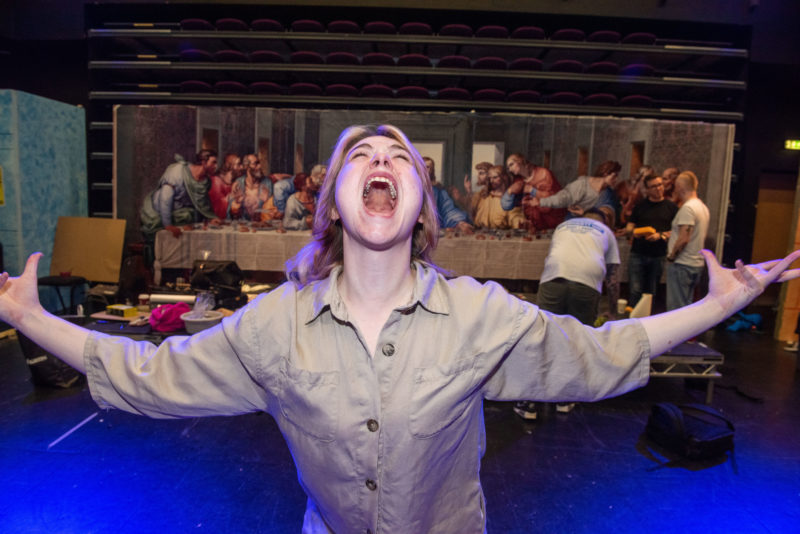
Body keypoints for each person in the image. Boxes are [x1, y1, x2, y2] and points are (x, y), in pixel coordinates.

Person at [2, 124, 798, 534]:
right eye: (361, 154)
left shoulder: (480, 313)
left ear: (421, 198)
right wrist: (32, 318)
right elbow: (152, 377)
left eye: (399, 155)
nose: (381, 159)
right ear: (332, 201)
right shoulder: (276, 326)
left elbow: (597, 354)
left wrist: (718, 305)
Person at [513, 208, 620, 419]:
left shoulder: (563, 226)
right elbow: (614, 278)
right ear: (603, 221)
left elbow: (557, 254)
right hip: (587, 282)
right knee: (576, 339)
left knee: (542, 336)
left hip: (555, 277)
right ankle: (565, 398)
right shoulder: (606, 231)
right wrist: (614, 311)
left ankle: (529, 402)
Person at [618, 173, 679, 308]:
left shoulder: (671, 207)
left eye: (660, 185)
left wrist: (661, 235)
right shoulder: (640, 206)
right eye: (654, 186)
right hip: (638, 253)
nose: (658, 188)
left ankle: (646, 320)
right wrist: (632, 232)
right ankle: (632, 320)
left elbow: (676, 231)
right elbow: (630, 226)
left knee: (651, 291)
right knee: (635, 290)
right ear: (647, 190)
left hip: (658, 255)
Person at [139, 149, 219, 240]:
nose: (216, 166)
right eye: (213, 163)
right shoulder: (178, 171)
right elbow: (165, 198)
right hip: (159, 213)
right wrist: (168, 225)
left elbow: (203, 203)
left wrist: (211, 217)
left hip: (181, 214)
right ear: (204, 162)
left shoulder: (205, 181)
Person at [665, 171, 710, 311]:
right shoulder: (702, 207)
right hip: (696, 263)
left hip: (683, 264)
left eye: (675, 185)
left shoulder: (688, 208)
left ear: (680, 187)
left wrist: (671, 256)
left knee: (676, 309)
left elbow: (684, 238)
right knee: (686, 307)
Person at [529, 160, 621, 219]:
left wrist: (585, 213)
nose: (616, 179)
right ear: (605, 173)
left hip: (593, 226)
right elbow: (562, 199)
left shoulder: (608, 193)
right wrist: (541, 202)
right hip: (573, 222)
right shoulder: (582, 184)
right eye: (614, 176)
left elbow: (608, 213)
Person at [502, 153, 565, 231]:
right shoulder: (518, 180)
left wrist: (533, 191)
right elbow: (506, 206)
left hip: (551, 221)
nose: (510, 169)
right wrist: (512, 193)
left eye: (511, 164)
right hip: (532, 224)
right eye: (508, 167)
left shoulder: (543, 173)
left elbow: (553, 198)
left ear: (520, 161)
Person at [422, 156, 473, 233]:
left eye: (428, 167)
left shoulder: (438, 190)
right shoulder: (407, 187)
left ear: (432, 171)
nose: (425, 169)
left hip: (431, 231)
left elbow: (448, 210)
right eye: (422, 166)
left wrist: (459, 223)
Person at [209, 153, 244, 219]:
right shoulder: (216, 181)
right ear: (229, 166)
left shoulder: (237, 181)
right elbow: (217, 209)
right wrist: (231, 198)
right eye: (238, 164)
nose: (242, 167)